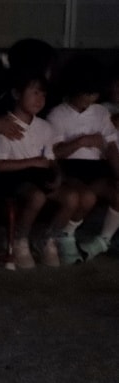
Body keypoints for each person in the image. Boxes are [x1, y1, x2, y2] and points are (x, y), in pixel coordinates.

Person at [0, 72, 86, 268]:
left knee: (72, 197)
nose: (39, 99)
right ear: (17, 94)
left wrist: (57, 175)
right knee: (37, 196)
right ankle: (19, 239)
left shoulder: (44, 127)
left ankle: (47, 238)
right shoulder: (5, 125)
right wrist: (32, 162)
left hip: (38, 176)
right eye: (34, 93)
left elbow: (50, 159)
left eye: (43, 95)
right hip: (11, 178)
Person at [47, 55, 119, 263]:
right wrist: (81, 142)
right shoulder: (58, 114)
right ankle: (65, 235)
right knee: (86, 197)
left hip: (97, 169)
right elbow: (54, 153)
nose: (90, 98)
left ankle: (102, 240)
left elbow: (111, 146)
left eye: (94, 93)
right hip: (70, 169)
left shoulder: (101, 112)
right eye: (86, 93)